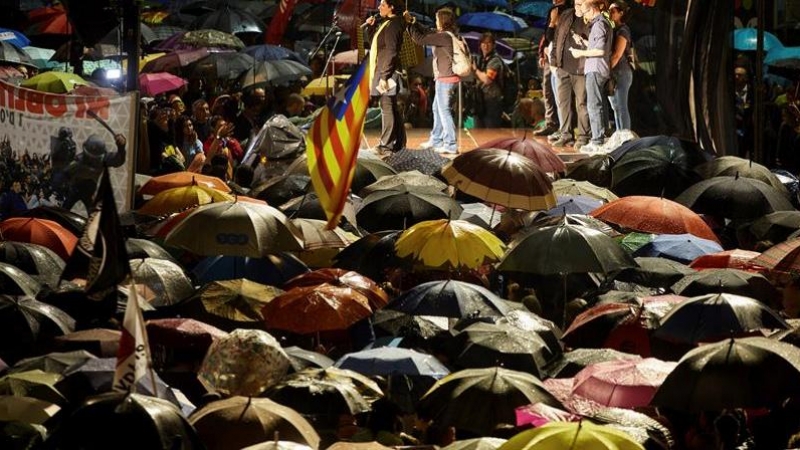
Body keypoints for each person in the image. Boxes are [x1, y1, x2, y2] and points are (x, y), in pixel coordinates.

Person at [405, 7, 461, 154]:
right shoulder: (444, 34)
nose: (435, 21)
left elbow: (420, 39)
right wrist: (413, 22)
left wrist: (408, 25)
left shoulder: (444, 37)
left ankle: (451, 144)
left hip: (447, 79)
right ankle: (436, 139)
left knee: (444, 111)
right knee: (437, 109)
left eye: (437, 19)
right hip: (444, 79)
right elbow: (427, 30)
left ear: (442, 21)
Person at [364, 0, 407, 156]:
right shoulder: (386, 24)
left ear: (392, 7)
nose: (379, 7)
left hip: (387, 71)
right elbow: (377, 45)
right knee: (391, 107)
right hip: (384, 70)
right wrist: (370, 27)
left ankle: (386, 145)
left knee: (387, 107)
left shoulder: (394, 24)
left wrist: (384, 75)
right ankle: (398, 143)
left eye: (383, 4)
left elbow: (391, 51)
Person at [570, 0, 613, 154]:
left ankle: (597, 140)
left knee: (594, 105)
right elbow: (596, 46)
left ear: (593, 9)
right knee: (596, 104)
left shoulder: (599, 24)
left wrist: (580, 53)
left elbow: (600, 51)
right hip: (596, 69)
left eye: (586, 12)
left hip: (596, 70)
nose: (585, 16)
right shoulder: (601, 24)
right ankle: (599, 137)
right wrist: (583, 42)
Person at [549, 0, 590, 149]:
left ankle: (583, 136)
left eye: (581, 3)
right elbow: (556, 37)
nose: (578, 6)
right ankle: (565, 134)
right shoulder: (566, 14)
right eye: (576, 3)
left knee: (582, 103)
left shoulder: (589, 18)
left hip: (581, 68)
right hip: (562, 66)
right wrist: (554, 60)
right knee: (562, 103)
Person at [535, 0, 568, 136]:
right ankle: (551, 123)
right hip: (549, 55)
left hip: (560, 57)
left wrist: (553, 21)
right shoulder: (553, 9)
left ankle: (564, 127)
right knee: (548, 90)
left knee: (561, 95)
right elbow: (546, 36)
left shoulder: (567, 10)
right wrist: (542, 52)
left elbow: (551, 34)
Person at [606, 1, 633, 133]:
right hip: (615, 72)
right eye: (609, 11)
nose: (610, 13)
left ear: (621, 13)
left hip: (621, 72)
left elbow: (617, 54)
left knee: (621, 105)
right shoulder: (614, 29)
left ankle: (625, 136)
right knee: (615, 106)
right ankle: (619, 133)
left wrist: (606, 69)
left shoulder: (623, 30)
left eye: (613, 11)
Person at [473, 32, 505, 128]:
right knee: (478, 131)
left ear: (493, 45)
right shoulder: (479, 60)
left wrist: (475, 70)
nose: (486, 46)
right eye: (483, 43)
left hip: (492, 101)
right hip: (479, 100)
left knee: (491, 132)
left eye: (489, 43)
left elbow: (487, 79)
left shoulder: (495, 60)